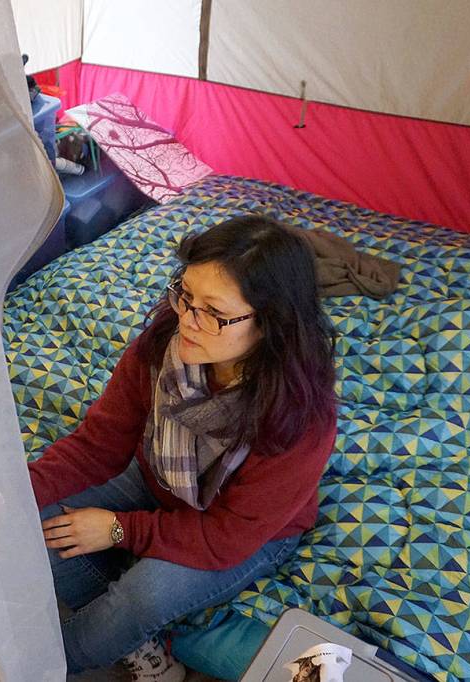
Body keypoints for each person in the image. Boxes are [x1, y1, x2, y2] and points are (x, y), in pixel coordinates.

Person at [29, 215, 338, 680]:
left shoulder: (299, 416)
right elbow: (97, 447)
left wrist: (119, 530)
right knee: (31, 521)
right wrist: (14, 493)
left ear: (270, 323)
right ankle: (139, 639)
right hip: (158, 478)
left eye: (214, 312)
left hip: (248, 531)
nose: (187, 321)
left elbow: (227, 536)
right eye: (186, 295)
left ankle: (38, 666)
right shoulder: (160, 347)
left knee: (145, 595)